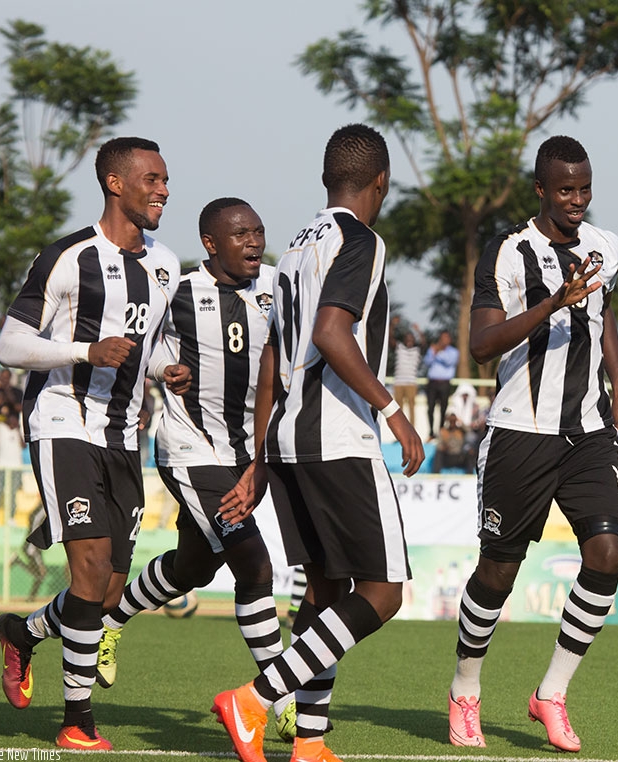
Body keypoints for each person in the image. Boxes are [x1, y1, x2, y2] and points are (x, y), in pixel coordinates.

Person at [211, 124, 424, 762]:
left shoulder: (298, 246)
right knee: (383, 591)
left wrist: (258, 458)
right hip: (337, 435)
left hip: (288, 438)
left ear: (327, 178)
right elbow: (333, 333)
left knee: (325, 588)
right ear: (381, 182)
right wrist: (393, 409)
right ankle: (254, 700)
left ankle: (309, 741)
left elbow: (274, 357)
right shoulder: (361, 239)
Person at [447, 135, 618, 752]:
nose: (578, 201)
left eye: (585, 189)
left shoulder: (603, 246)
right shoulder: (509, 253)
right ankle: (465, 689)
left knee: (609, 553)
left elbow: (604, 310)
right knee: (498, 571)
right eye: (565, 190)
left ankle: (551, 694)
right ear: (540, 189)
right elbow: (482, 346)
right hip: (520, 433)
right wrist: (552, 302)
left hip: (586, 432)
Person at [0, 136, 190, 751]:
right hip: (62, 423)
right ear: (115, 183)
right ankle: (78, 720)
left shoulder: (166, 263)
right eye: (152, 179)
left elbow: (151, 343)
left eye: (165, 179)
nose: (163, 189)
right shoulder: (67, 256)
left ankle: (23, 634)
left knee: (103, 593)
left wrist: (166, 368)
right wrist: (83, 350)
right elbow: (9, 346)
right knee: (90, 566)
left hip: (122, 437)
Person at [91, 197, 295, 737]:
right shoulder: (176, 291)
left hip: (249, 455)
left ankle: (108, 622)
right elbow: (139, 348)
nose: (254, 242)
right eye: (241, 234)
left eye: (259, 232)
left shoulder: (278, 286)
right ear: (210, 243)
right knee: (254, 566)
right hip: (192, 450)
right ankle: (278, 696)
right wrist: (164, 367)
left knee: (194, 567)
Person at [389, 316, 426, 427]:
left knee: (411, 408)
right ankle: (399, 432)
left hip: (411, 383)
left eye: (411, 338)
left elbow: (424, 343)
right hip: (398, 383)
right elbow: (390, 338)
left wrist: (418, 330)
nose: (409, 340)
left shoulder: (417, 350)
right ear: (404, 340)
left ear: (414, 340)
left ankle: (412, 430)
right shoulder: (399, 347)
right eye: (407, 338)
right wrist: (393, 325)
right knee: (398, 410)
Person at [424, 330, 459, 439]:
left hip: (444, 383)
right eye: (442, 338)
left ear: (449, 340)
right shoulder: (433, 349)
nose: (443, 340)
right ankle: (431, 432)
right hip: (432, 382)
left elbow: (450, 362)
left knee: (443, 408)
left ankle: (440, 430)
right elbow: (426, 362)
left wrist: (439, 352)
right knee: (430, 408)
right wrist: (434, 353)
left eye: (446, 338)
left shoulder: (453, 352)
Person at [0, 368, 23, 468]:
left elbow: (19, 407)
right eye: (2, 378)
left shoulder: (17, 392)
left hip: (13, 433)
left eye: (6, 378)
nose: (4, 380)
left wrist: (7, 392)